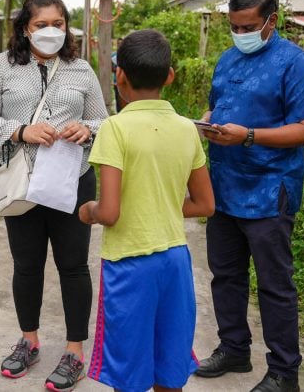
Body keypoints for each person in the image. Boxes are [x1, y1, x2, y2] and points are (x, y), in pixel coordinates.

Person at [0, 0, 108, 391]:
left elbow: (103, 120)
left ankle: (74, 351)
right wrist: (20, 130)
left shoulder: (81, 69)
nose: (51, 31)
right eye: (41, 25)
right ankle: (28, 341)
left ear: (67, 27)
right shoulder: (1, 67)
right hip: (24, 183)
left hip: (72, 179)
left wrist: (88, 129)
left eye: (58, 24)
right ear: (25, 29)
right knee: (27, 265)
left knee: (73, 265)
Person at [194, 0, 304, 392]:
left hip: (270, 191)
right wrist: (209, 121)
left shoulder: (294, 63)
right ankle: (234, 348)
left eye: (248, 26)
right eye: (234, 25)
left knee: (274, 284)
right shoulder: (228, 60)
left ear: (272, 20)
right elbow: (221, 105)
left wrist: (248, 135)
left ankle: (285, 372)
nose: (240, 33)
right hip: (225, 186)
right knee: (225, 275)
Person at [78, 29, 215, 392]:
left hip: (129, 265)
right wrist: (163, 203)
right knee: (170, 366)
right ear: (169, 76)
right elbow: (205, 204)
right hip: (175, 262)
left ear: (119, 76)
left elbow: (109, 212)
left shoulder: (115, 128)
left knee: (130, 372)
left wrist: (87, 211)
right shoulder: (187, 129)